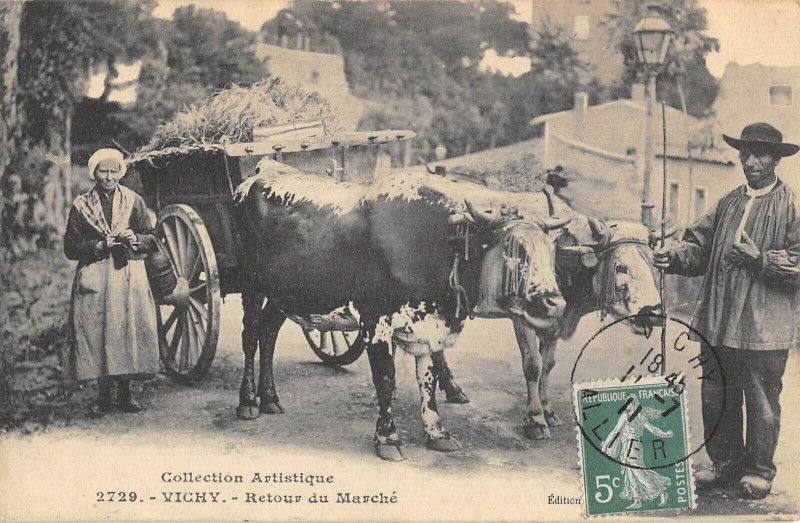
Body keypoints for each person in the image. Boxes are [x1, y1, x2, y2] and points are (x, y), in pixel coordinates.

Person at [654, 122, 800, 500]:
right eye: (746, 153)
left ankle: (759, 471)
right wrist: (673, 255)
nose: (751, 161)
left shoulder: (792, 205)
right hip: (717, 322)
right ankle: (725, 465)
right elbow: (697, 248)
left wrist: (761, 259)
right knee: (717, 396)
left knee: (761, 398)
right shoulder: (728, 202)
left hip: (763, 326)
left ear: (776, 160)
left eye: (761, 154)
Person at [64, 148, 160, 417]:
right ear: (94, 173)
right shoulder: (81, 206)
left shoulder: (133, 201)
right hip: (96, 275)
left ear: (121, 173)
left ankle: (126, 393)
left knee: (125, 330)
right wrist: (97, 244)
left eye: (113, 171)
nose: (109, 177)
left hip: (127, 274)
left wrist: (135, 238)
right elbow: (70, 248)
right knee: (98, 331)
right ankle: (103, 395)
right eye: (103, 172)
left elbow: (152, 238)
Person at [600, 395, 673, 509]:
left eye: (628, 403)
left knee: (639, 472)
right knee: (630, 473)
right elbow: (653, 429)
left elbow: (615, 430)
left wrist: (605, 445)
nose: (627, 405)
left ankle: (660, 490)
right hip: (633, 446)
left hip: (631, 446)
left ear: (633, 404)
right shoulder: (640, 415)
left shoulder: (627, 415)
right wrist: (665, 434)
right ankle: (637, 500)